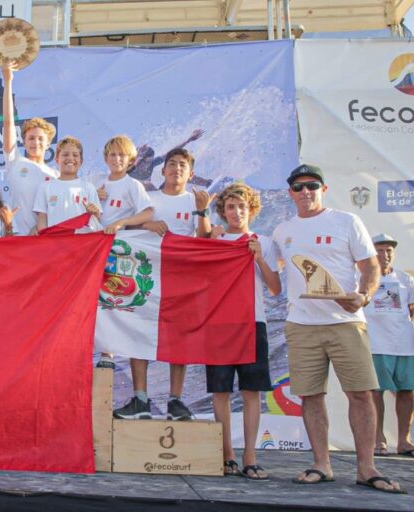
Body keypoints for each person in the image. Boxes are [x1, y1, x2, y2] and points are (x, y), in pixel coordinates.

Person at [272, 164, 405, 494]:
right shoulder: (281, 231)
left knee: (361, 395)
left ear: (323, 189)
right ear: (290, 193)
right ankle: (321, 464)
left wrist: (364, 295)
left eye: (312, 186)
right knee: (311, 396)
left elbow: (370, 266)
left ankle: (367, 468)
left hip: (346, 323)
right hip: (301, 325)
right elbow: (270, 274)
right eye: (298, 187)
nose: (306, 192)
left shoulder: (347, 221)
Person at [115, 148, 213, 421]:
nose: (176, 169)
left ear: (190, 173)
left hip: (181, 280)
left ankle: (176, 400)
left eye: (182, 165)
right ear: (163, 170)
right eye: (172, 164)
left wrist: (203, 211)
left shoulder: (195, 200)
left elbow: (205, 241)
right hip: (147, 277)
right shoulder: (150, 200)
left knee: (179, 338)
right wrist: (147, 225)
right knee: (138, 333)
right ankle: (140, 399)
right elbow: (126, 228)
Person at [207, 183, 281, 480]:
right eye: (230, 207)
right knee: (221, 391)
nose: (236, 212)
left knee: (251, 392)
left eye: (241, 207)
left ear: (251, 209)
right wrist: (211, 242)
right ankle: (226, 453)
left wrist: (260, 257)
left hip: (253, 323)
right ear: (222, 211)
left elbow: (275, 289)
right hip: (219, 324)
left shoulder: (263, 240)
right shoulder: (216, 238)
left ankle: (250, 455)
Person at [90, 135, 153, 369]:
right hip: (88, 245)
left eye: (121, 155)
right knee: (88, 298)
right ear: (106, 157)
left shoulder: (132, 185)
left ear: (131, 160)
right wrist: (92, 196)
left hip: (113, 249)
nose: (117, 159)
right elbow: (75, 201)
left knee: (108, 297)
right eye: (113, 154)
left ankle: (107, 352)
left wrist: (121, 222)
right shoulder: (95, 180)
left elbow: (148, 213)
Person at [363, 233, 414, 458]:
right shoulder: (362, 277)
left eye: (389, 251)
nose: (385, 255)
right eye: (380, 250)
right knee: (376, 392)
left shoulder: (405, 279)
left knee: (407, 392)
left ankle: (404, 441)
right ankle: (378, 439)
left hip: (404, 345)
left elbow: (411, 311)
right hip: (376, 344)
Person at [1, 61, 59, 235]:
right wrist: (8, 80)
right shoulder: (15, 161)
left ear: (48, 144)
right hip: (16, 237)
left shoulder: (55, 175)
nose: (36, 143)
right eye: (31, 138)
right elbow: (8, 122)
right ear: (24, 142)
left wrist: (42, 226)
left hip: (44, 239)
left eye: (41, 139)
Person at [33, 136, 102, 231]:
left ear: (81, 161)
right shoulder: (45, 187)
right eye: (65, 155)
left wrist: (96, 213)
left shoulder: (89, 187)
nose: (70, 158)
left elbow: (97, 220)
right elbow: (42, 218)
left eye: (75, 155)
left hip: (81, 242)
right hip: (55, 242)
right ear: (57, 159)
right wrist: (44, 239)